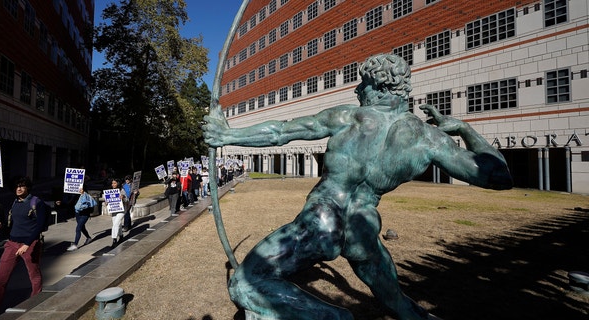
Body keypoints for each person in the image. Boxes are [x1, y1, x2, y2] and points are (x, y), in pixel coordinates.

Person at [203, 54, 513, 319]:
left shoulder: (349, 116)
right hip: (362, 227)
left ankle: (333, 316)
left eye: (362, 83)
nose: (357, 88)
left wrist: (227, 136)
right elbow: (499, 176)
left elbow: (282, 132)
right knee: (398, 304)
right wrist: (464, 128)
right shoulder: (429, 139)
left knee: (245, 282)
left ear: (378, 84)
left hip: (322, 219)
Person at [0, 176, 48, 317]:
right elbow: (13, 224)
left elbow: (39, 226)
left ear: (27, 187)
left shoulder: (36, 202)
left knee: (34, 275)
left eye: (22, 186)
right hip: (12, 244)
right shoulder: (14, 203)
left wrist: (27, 244)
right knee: (0, 279)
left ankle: (35, 303)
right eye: (16, 187)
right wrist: (0, 226)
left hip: (30, 244)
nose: (19, 189)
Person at [66, 186, 95, 251]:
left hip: (84, 215)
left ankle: (75, 245)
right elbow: (70, 203)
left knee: (78, 229)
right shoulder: (76, 196)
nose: (79, 190)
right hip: (77, 214)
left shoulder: (87, 197)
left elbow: (91, 207)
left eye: (81, 189)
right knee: (82, 228)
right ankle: (88, 238)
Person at [108, 178, 128, 248]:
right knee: (117, 224)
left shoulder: (122, 190)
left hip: (121, 210)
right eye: (112, 183)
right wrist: (107, 202)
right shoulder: (110, 191)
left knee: (115, 224)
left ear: (118, 184)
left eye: (115, 183)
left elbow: (127, 200)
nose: (113, 184)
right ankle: (121, 236)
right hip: (114, 210)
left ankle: (114, 240)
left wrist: (123, 197)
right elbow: (108, 200)